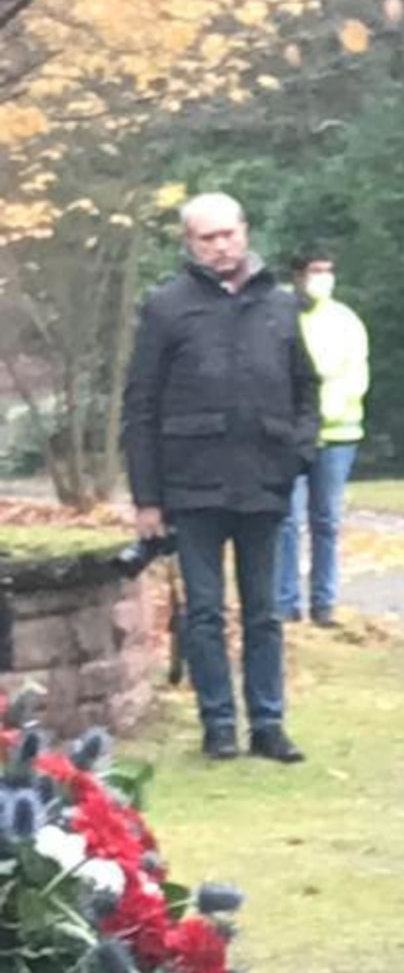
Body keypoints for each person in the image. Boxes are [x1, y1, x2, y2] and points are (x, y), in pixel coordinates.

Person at [123, 193, 317, 763]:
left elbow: (307, 388)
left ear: (245, 231)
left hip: (265, 480)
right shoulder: (166, 308)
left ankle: (268, 723)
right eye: (208, 238)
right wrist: (147, 499)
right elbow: (141, 407)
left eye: (228, 234)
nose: (222, 245)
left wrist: (299, 453)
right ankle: (219, 724)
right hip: (194, 484)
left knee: (264, 612)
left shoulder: (281, 305)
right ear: (190, 243)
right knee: (204, 612)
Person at [276, 249, 370, 627]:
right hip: (289, 437)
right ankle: (285, 602)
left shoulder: (346, 321)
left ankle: (324, 602)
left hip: (338, 436)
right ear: (298, 275)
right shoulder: (281, 315)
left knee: (326, 521)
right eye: (316, 271)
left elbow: (354, 377)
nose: (323, 278)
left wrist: (321, 416)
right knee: (286, 521)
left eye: (328, 271)